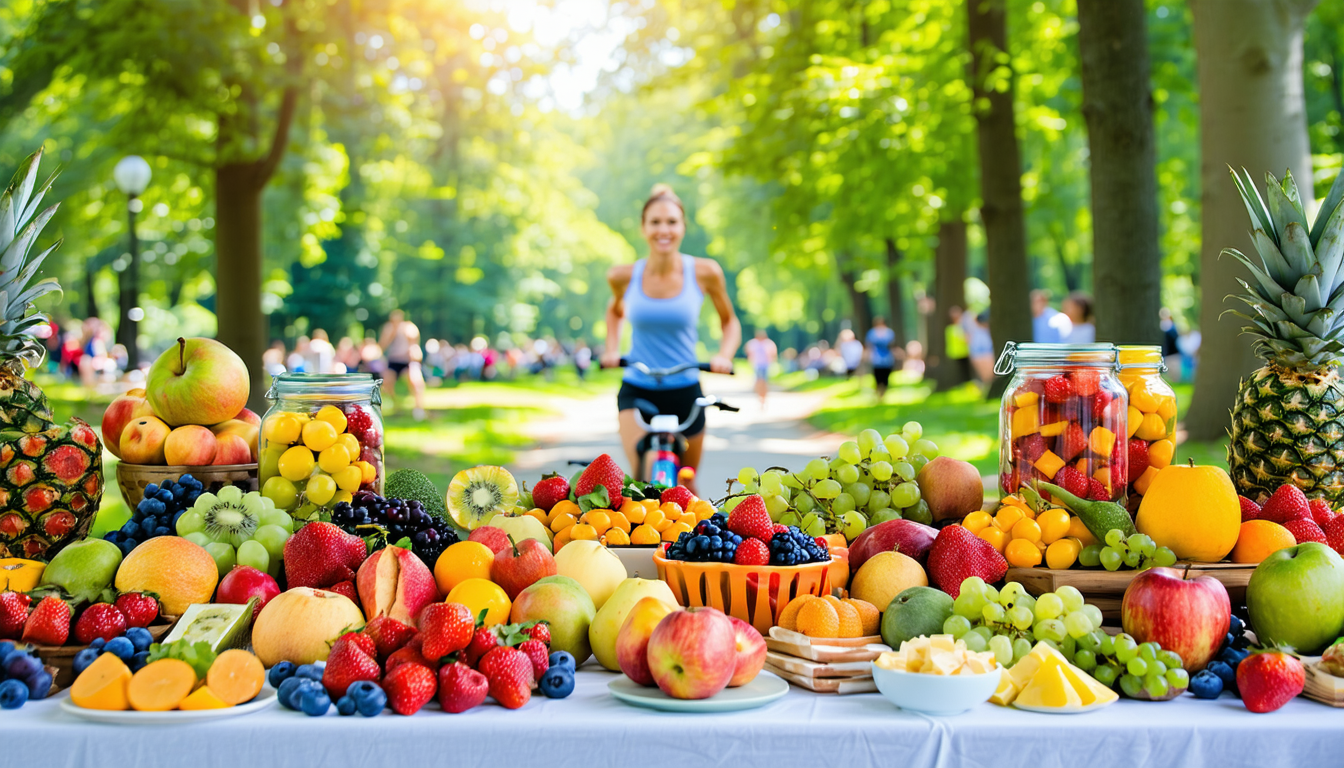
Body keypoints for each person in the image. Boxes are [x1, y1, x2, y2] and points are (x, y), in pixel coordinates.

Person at [601, 184, 741, 495]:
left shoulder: (705, 272)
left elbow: (729, 321)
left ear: (683, 227)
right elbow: (614, 312)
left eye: (672, 222)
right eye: (655, 222)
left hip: (686, 389)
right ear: (643, 228)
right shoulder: (622, 276)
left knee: (687, 487)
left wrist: (724, 355)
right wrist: (612, 349)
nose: (663, 230)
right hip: (637, 387)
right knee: (640, 488)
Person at [380, 309, 427, 420]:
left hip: (408, 360)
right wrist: (392, 333)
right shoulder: (388, 328)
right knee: (386, 383)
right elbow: (382, 345)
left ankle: (419, 409)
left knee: (416, 382)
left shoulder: (409, 327)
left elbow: (414, 344)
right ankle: (396, 405)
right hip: (394, 360)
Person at [865, 316, 897, 399]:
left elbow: (892, 345)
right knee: (877, 376)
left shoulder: (889, 333)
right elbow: (869, 346)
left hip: (887, 359)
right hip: (876, 359)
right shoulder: (872, 333)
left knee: (885, 376)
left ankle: (883, 392)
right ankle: (879, 392)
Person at [744, 328, 777, 407]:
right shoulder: (753, 343)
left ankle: (764, 397)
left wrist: (771, 361)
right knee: (758, 382)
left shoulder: (768, 343)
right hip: (757, 365)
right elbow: (747, 350)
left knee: (764, 382)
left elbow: (773, 353)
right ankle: (760, 396)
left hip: (765, 365)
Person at [945, 306, 971, 385]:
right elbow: (966, 340)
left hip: (956, 353)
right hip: (961, 353)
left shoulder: (949, 329)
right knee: (963, 371)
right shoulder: (959, 328)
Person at [969, 310, 996, 387]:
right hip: (982, 355)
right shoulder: (980, 333)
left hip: (982, 354)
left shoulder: (981, 333)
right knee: (987, 378)